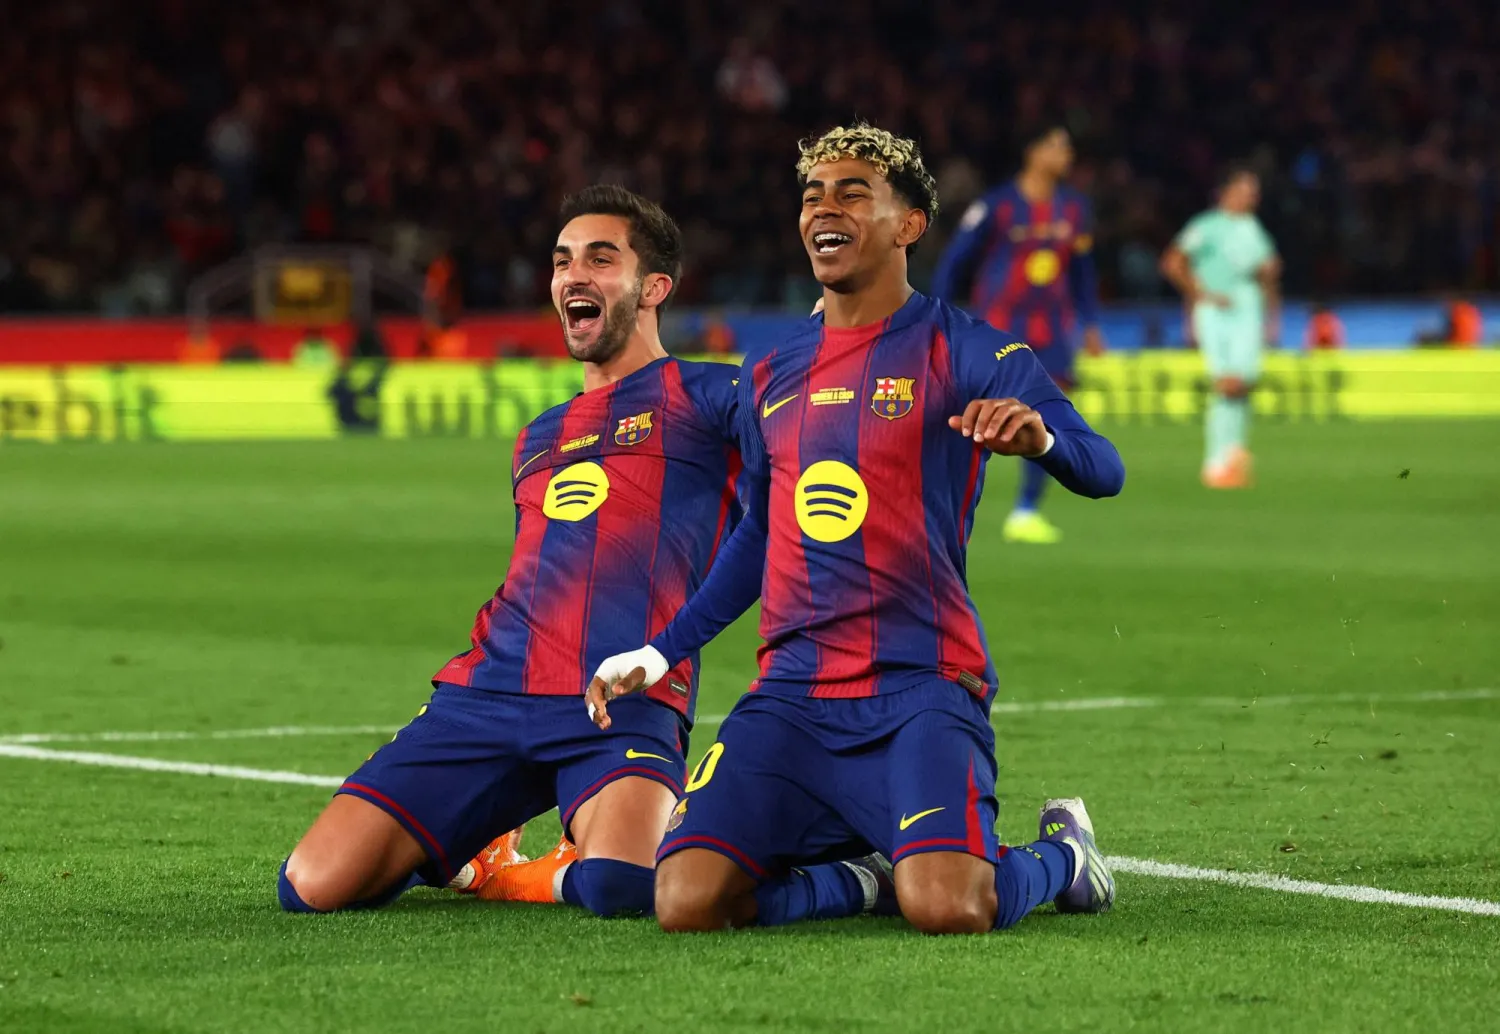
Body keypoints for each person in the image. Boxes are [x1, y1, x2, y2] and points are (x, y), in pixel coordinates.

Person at [278, 185, 888, 920]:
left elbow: (805, 405)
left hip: (621, 702)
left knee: (622, 886)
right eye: (563, 261)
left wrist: (838, 343)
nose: (574, 275)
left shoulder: (710, 397)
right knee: (313, 885)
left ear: (653, 287)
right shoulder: (539, 434)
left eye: (602, 259)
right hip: (488, 695)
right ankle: (483, 852)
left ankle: (857, 868)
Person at [587, 124, 1125, 935]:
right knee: (685, 900)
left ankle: (1065, 859)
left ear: (908, 225)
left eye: (851, 194)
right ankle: (862, 879)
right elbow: (759, 537)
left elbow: (1103, 466)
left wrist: (1040, 439)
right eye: (811, 196)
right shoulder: (771, 371)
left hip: (921, 687)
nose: (823, 209)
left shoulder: (967, 349)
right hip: (793, 698)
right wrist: (661, 650)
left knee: (951, 908)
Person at [931, 124, 1104, 544]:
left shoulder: (1075, 209)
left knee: (1044, 418)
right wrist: (935, 315)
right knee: (974, 422)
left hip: (1052, 329)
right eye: (1057, 145)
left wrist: (1091, 323)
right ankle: (944, 506)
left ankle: (1025, 511)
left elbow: (1082, 271)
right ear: (1033, 151)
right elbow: (955, 261)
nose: (1066, 154)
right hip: (1000, 329)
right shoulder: (997, 206)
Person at [1160, 168, 1281, 489]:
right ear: (1226, 192)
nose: (1252, 196)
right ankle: (1215, 462)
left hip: (1248, 308)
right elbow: (1173, 262)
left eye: (1254, 190)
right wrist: (1200, 295)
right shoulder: (1206, 226)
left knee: (1242, 384)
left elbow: (1269, 270)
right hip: (1217, 309)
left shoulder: (1253, 227)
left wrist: (1272, 315)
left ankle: (1234, 453)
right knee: (1226, 384)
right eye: (1246, 189)